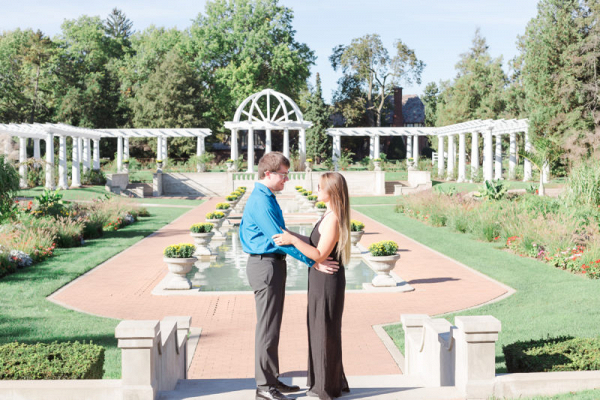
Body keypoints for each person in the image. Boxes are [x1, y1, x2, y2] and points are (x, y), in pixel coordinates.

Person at [240, 152, 339, 400]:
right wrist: (313, 260)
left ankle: (271, 380)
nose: (287, 180)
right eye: (284, 175)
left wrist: (308, 252)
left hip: (272, 265)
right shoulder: (261, 200)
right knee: (267, 329)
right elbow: (278, 238)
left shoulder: (267, 197)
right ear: (268, 174)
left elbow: (284, 233)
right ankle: (264, 387)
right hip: (265, 266)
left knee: (272, 327)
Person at [272, 172, 351, 400]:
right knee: (319, 329)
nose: (316, 191)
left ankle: (326, 388)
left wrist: (293, 241)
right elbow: (314, 245)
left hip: (328, 281)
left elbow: (319, 253)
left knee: (324, 330)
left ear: (331, 191)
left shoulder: (334, 218)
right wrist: (290, 234)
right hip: (319, 279)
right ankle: (327, 382)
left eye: (319, 187)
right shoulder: (327, 215)